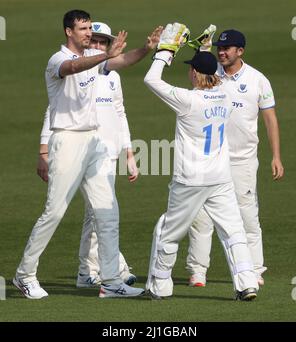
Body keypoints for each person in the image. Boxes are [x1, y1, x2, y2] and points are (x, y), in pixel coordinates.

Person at [13, 9, 162, 299]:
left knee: (107, 211)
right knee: (54, 211)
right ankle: (24, 275)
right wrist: (104, 56)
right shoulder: (58, 60)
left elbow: (123, 61)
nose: (87, 34)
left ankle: (110, 281)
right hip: (67, 140)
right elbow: (72, 68)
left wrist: (146, 48)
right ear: (69, 31)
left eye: (88, 29)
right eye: (81, 29)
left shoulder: (96, 63)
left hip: (94, 141)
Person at [144, 23, 258, 301]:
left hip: (190, 180)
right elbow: (214, 77)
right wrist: (204, 50)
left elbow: (151, 80)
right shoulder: (227, 96)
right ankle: (247, 284)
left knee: (169, 234)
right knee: (233, 232)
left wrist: (165, 52)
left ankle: (160, 287)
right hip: (220, 178)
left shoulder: (187, 100)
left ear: (194, 73)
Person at [37, 22, 143, 288]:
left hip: (107, 151)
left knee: (96, 213)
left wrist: (129, 151)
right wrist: (43, 149)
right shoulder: (80, 71)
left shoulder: (112, 76)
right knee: (101, 211)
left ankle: (87, 272)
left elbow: (121, 113)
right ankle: (115, 270)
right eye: (92, 40)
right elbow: (54, 110)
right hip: (79, 150)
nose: (96, 45)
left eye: (102, 42)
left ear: (109, 46)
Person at [187, 29, 284, 288]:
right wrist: (199, 51)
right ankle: (198, 271)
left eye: (227, 48)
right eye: (219, 47)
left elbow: (270, 118)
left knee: (247, 215)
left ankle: (253, 269)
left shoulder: (257, 80)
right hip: (211, 160)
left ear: (240, 51)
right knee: (202, 216)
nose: (222, 51)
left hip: (243, 160)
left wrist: (276, 156)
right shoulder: (210, 74)